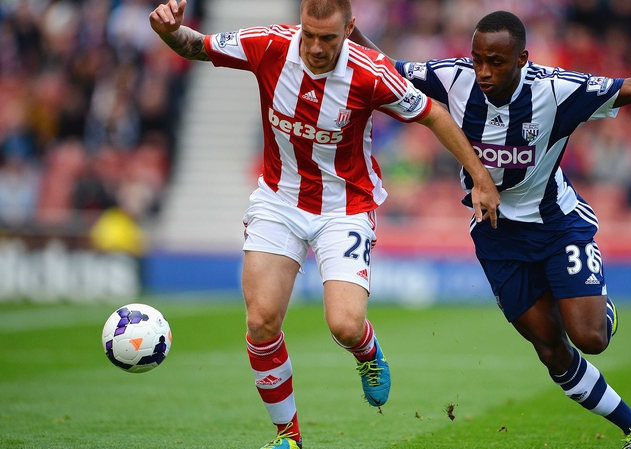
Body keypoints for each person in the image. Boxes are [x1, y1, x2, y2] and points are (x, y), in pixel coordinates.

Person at [352, 10, 631, 449]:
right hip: (496, 236)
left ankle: (599, 308)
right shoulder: (453, 78)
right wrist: (347, 27)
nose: (483, 72)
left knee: (591, 337)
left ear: (522, 59)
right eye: (477, 59)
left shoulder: (556, 90)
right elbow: (383, 67)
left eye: (495, 62)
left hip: (557, 226)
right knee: (551, 349)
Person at [149, 1, 501, 448]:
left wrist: (481, 177)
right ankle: (288, 436)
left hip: (345, 207)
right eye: (309, 35)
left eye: (328, 38)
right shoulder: (269, 45)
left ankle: (367, 352)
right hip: (279, 200)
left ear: (349, 28)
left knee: (346, 325)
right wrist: (170, 32)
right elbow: (197, 46)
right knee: (261, 320)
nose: (315, 48)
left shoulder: (370, 72)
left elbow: (433, 113)